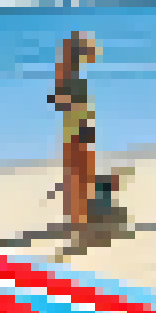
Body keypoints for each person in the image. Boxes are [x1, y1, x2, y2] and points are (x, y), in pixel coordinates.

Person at [51, 32, 98, 235]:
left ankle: (78, 220)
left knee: (80, 174)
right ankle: (77, 222)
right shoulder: (68, 76)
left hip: (79, 127)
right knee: (78, 175)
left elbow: (59, 100)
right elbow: (59, 100)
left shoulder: (72, 76)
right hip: (76, 129)